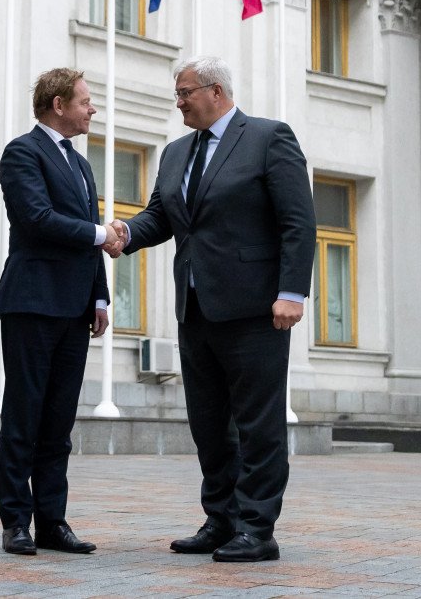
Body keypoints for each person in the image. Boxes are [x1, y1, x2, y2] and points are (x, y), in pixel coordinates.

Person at [110, 56, 316, 562]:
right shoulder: (176, 152)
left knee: (257, 422)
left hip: (255, 310)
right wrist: (126, 234)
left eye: (184, 92)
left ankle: (257, 528)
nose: (177, 102)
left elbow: (298, 221)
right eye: (177, 94)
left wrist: (292, 292)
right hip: (196, 307)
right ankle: (220, 519)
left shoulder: (269, 138)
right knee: (208, 423)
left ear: (216, 92)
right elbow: (163, 215)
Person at [0, 67, 122, 556]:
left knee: (59, 422)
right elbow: (37, 218)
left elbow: (89, 235)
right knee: (24, 415)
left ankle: (53, 521)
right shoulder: (22, 152)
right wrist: (100, 234)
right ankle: (16, 523)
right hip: (32, 301)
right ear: (58, 105)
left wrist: (100, 296)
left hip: (74, 308)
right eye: (86, 101)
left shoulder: (81, 164)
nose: (93, 109)